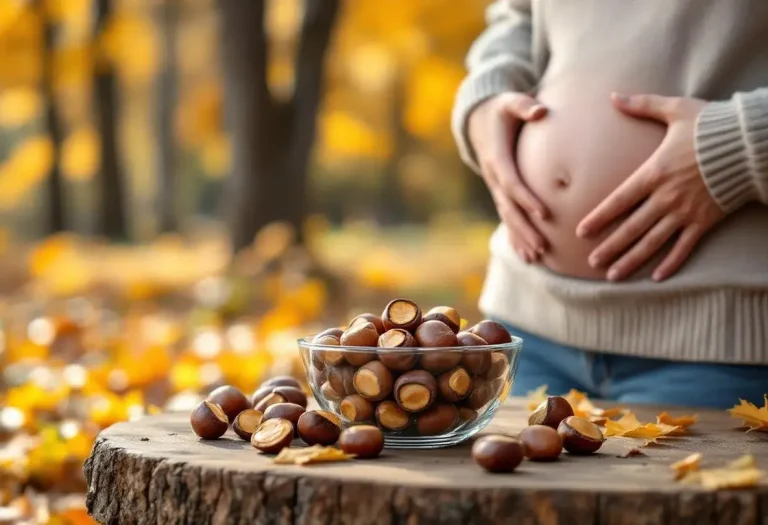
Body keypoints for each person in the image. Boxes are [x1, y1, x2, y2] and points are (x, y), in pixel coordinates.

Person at [451, 0, 768, 409]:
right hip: (522, 329)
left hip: (717, 345)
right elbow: (518, 17)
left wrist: (742, 143)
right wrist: (486, 97)